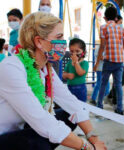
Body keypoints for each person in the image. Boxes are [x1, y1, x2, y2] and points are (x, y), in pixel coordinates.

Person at [0, 12, 106, 150]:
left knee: (69, 115)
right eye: (59, 37)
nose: (63, 43)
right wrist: (87, 147)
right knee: (39, 142)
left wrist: (93, 138)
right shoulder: (11, 67)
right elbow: (41, 120)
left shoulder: (45, 67)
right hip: (3, 137)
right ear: (39, 42)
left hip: (20, 128)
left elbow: (70, 102)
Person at [94, 7, 124, 115]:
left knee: (103, 84)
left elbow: (102, 46)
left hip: (108, 61)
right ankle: (120, 108)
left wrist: (97, 63)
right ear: (116, 17)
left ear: (104, 17)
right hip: (119, 61)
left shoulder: (103, 27)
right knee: (118, 85)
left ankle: (99, 106)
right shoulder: (121, 29)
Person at [107, 15, 124, 109]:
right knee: (119, 82)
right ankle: (115, 102)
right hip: (114, 60)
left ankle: (111, 96)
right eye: (120, 22)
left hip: (120, 59)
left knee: (121, 81)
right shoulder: (112, 30)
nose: (121, 25)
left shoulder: (120, 31)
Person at [63, 38, 89, 102]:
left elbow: (80, 73)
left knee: (81, 106)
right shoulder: (69, 62)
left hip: (80, 89)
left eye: (77, 51)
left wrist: (76, 62)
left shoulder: (85, 63)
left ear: (83, 52)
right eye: (72, 51)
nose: (74, 54)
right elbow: (63, 74)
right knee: (71, 105)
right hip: (70, 87)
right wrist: (67, 75)